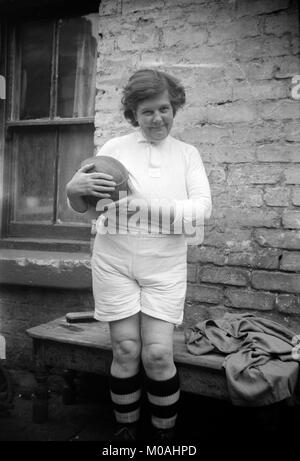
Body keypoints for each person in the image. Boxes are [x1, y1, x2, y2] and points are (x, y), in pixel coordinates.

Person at [66, 68, 212, 441]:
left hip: (164, 265)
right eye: (147, 111)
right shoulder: (114, 148)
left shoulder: (187, 155)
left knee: (158, 355)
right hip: (114, 260)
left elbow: (201, 211)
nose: (157, 118)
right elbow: (88, 205)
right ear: (133, 113)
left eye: (164, 108)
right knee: (126, 348)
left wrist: (143, 204)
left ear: (174, 106)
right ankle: (126, 432)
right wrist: (73, 188)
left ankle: (164, 437)